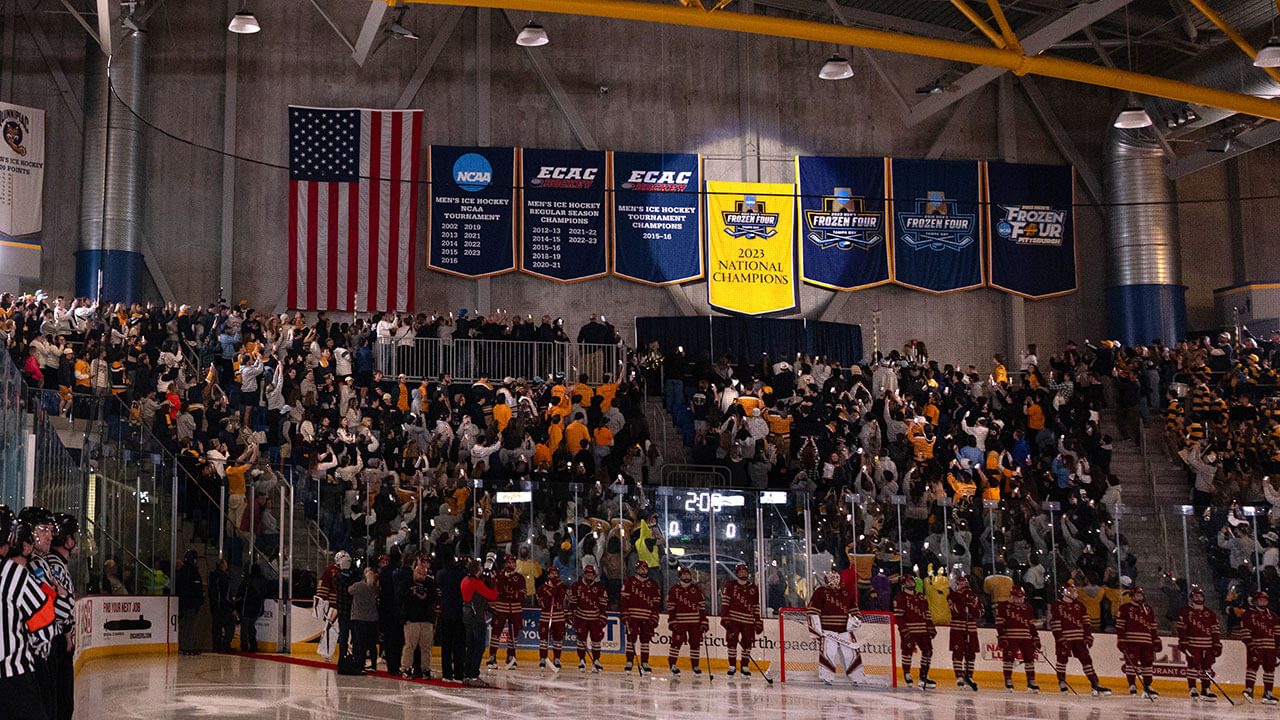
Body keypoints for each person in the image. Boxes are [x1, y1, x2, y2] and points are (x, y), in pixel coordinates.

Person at [2, 507, 57, 720]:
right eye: (44, 530)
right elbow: (45, 623)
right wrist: (37, 651)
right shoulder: (15, 574)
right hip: (15, 677)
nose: (49, 536)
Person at [44, 513, 77, 720]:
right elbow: (56, 605)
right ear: (67, 540)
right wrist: (66, 630)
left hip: (56, 639)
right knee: (61, 701)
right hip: (56, 641)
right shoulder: (55, 565)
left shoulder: (56, 563)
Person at [1048, 583, 1109, 695]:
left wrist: (1088, 636)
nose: (1073, 592)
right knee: (1062, 660)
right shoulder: (1057, 606)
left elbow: (1086, 623)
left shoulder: (1080, 606)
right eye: (1070, 590)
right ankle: (1062, 681)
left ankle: (1095, 684)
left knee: (1086, 660)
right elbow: (1055, 625)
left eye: (1073, 590)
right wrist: (1060, 639)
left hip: (1079, 639)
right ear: (1064, 593)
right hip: (1065, 639)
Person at [807, 571, 863, 685]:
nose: (834, 580)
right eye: (831, 578)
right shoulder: (821, 592)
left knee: (850, 654)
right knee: (829, 654)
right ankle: (827, 678)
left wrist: (856, 620)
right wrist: (816, 629)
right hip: (828, 631)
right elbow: (813, 611)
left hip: (844, 631)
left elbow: (854, 610)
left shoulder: (845, 593)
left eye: (836, 578)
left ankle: (857, 678)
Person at [1177, 584, 1221, 701]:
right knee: (1192, 666)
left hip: (1207, 645)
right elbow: (1182, 629)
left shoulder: (1210, 613)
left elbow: (1215, 630)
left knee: (1207, 667)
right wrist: (1183, 641)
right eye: (1196, 596)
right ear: (1192, 597)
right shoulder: (1185, 612)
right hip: (1193, 644)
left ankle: (1206, 689)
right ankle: (1192, 688)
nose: (1199, 598)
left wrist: (1217, 644)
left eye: (1200, 596)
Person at [893, 571, 935, 690]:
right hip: (909, 631)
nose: (910, 583)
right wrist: (904, 629)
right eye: (908, 581)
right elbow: (898, 617)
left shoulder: (921, 596)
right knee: (907, 652)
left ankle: (923, 675)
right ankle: (907, 673)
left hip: (923, 630)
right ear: (903, 584)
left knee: (928, 652)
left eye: (912, 580)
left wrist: (931, 627)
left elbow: (927, 613)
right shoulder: (900, 597)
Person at [1116, 585, 1160, 699]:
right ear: (1132, 596)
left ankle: (1147, 685)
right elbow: (1120, 626)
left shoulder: (1148, 609)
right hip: (1131, 641)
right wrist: (1121, 640)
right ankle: (1132, 684)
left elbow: (1153, 627)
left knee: (1148, 664)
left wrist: (1156, 639)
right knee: (1132, 663)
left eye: (1141, 594)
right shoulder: (1125, 608)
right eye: (1137, 595)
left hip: (1146, 642)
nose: (1140, 597)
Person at [720, 563, 763, 677]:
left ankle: (744, 666)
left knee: (747, 643)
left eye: (744, 571)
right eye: (740, 572)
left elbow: (755, 606)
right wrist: (725, 618)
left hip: (748, 621)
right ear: (737, 573)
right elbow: (725, 603)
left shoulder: (753, 588)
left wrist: (758, 621)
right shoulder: (730, 585)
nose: (743, 573)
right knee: (732, 643)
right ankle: (732, 666)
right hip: (733, 619)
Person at [399, 555, 438, 680]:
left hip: (426, 619)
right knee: (410, 646)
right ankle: (406, 668)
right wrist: (411, 593)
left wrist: (424, 596)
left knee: (426, 647)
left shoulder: (430, 583)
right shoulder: (406, 583)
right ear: (414, 571)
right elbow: (400, 598)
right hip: (412, 619)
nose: (422, 576)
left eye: (424, 574)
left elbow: (433, 598)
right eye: (419, 573)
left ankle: (425, 669)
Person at [995, 585, 1040, 692]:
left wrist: (1035, 636)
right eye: (1017, 597)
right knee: (1008, 659)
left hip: (1026, 638)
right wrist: (1002, 636)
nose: (1019, 600)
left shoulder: (1028, 607)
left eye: (1021, 598)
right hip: (1010, 637)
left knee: (1029, 658)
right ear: (1011, 596)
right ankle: (1008, 679)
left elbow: (1031, 624)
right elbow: (999, 623)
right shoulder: (1003, 606)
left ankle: (1031, 680)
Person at [460, 558, 496, 686]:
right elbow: (493, 595)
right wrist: (493, 581)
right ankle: (474, 675)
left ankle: (467, 675)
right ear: (477, 570)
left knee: (470, 646)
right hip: (477, 617)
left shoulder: (465, 580)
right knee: (478, 647)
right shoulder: (476, 583)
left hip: (467, 616)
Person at [665, 566, 707, 676]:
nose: (686, 576)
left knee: (695, 643)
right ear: (680, 576)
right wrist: (673, 621)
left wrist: (703, 621)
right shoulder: (674, 590)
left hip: (695, 622)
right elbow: (671, 608)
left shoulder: (696, 589)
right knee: (676, 643)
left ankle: (695, 665)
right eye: (684, 574)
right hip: (680, 622)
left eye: (688, 574)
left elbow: (702, 607)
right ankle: (672, 664)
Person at [621, 560, 660, 674]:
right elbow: (624, 600)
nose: (643, 571)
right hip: (632, 616)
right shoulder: (629, 582)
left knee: (645, 640)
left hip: (646, 617)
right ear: (636, 570)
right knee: (631, 639)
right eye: (641, 569)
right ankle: (629, 661)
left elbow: (656, 603)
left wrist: (654, 616)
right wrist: (625, 614)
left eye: (645, 568)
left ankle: (644, 661)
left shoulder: (653, 584)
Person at [1241, 590, 1279, 704]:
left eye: (1265, 600)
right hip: (1256, 647)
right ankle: (1249, 690)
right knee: (1252, 668)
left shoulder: (1273, 616)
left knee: (1269, 670)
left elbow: (1277, 633)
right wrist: (1251, 646)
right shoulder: (1248, 615)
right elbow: (1245, 632)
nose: (1263, 602)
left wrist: (1278, 647)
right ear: (1255, 601)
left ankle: (1268, 693)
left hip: (1270, 648)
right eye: (1261, 600)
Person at [488, 554, 525, 670]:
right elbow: (493, 590)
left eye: (512, 562)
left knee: (514, 634)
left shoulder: (520, 578)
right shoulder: (498, 575)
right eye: (508, 562)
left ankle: (511, 656)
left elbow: (523, 596)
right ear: (504, 564)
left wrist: (514, 594)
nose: (510, 564)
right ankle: (492, 656)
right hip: (500, 607)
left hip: (515, 609)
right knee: (496, 632)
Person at [570, 564, 608, 672]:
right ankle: (581, 660)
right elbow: (572, 603)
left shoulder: (599, 587)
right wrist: (571, 613)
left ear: (594, 575)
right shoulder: (576, 586)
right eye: (588, 574)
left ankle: (596, 660)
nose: (589, 576)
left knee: (596, 641)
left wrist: (602, 615)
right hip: (581, 618)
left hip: (594, 619)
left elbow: (603, 604)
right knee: (581, 640)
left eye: (591, 574)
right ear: (584, 574)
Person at [436, 552, 467, 682]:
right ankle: (459, 673)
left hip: (446, 613)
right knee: (459, 645)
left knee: (446, 645)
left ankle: (446, 674)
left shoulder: (441, 574)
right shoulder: (460, 574)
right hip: (458, 613)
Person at [948, 575, 981, 691]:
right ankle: (959, 676)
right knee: (958, 652)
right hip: (958, 628)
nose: (964, 586)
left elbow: (980, 612)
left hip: (970, 628)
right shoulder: (952, 596)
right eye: (961, 584)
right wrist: (963, 601)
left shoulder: (974, 597)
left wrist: (971, 608)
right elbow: (956, 610)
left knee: (971, 653)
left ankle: (969, 676)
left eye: (965, 583)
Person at [537, 565, 568, 671]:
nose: (554, 575)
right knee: (544, 639)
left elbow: (563, 597)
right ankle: (542, 658)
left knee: (558, 639)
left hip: (559, 617)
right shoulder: (542, 588)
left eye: (556, 573)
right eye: (552, 573)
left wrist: (556, 590)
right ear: (548, 575)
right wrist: (550, 593)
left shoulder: (562, 585)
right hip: (546, 617)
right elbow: (542, 603)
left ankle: (557, 659)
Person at [175, 550, 205, 655]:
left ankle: (184, 646)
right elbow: (196, 588)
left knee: (185, 625)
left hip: (184, 602)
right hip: (191, 603)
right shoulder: (192, 571)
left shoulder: (183, 571)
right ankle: (189, 647)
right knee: (190, 625)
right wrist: (200, 599)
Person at [235, 565, 267, 653]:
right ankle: (253, 645)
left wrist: (236, 606)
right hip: (256, 609)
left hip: (246, 608)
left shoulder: (248, 580)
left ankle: (244, 646)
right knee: (251, 626)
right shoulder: (263, 581)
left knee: (244, 627)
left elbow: (241, 594)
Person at [208, 559, 236, 652]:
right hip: (223, 607)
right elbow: (226, 594)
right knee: (230, 625)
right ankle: (226, 645)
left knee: (217, 627)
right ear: (223, 566)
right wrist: (232, 606)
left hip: (215, 606)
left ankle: (217, 646)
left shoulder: (212, 577)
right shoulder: (223, 577)